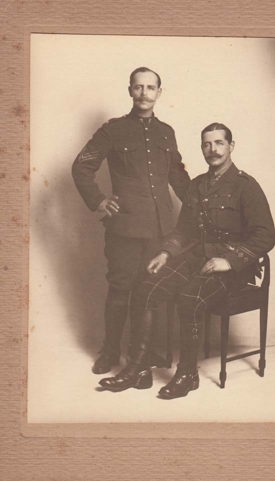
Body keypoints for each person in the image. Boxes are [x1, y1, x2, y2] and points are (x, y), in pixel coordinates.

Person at [99, 122, 275, 398]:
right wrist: (165, 252)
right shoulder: (197, 185)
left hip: (232, 268)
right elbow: (184, 231)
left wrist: (228, 261)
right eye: (206, 144)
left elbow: (266, 236)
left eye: (219, 143)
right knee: (147, 288)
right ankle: (138, 369)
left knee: (189, 297)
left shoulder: (246, 186)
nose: (212, 149)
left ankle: (187, 375)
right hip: (198, 257)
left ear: (231, 146)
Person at [72, 67, 190, 374]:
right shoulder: (113, 130)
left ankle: (143, 354)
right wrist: (99, 200)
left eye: (150, 87)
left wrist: (201, 202)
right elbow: (81, 166)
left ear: (159, 93)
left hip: (160, 230)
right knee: (121, 289)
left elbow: (178, 176)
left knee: (149, 291)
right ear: (130, 91)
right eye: (138, 87)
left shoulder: (167, 133)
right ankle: (110, 352)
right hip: (125, 228)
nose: (144, 93)